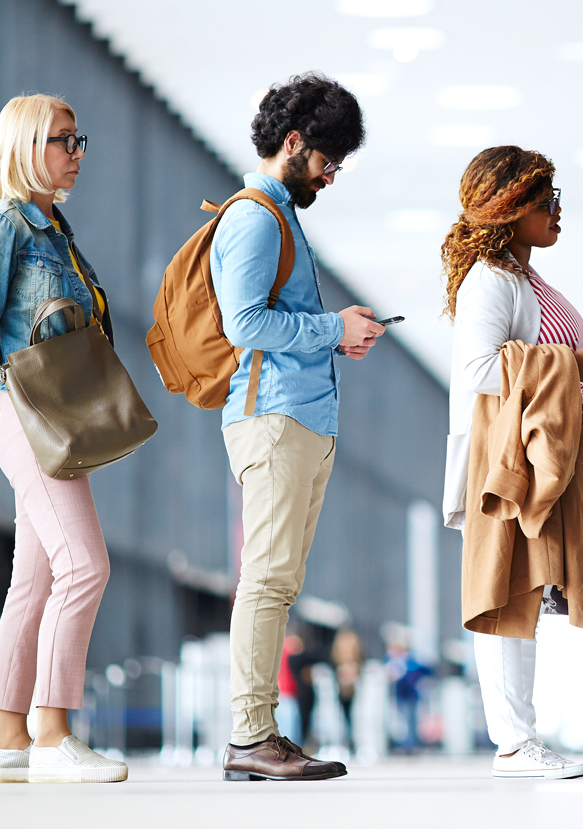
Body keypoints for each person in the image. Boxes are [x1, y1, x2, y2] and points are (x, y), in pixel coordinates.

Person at [0, 94, 126, 783]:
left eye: (81, 141)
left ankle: (9, 738)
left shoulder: (55, 232)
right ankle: (54, 734)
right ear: (24, 146)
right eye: (62, 141)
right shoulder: (2, 228)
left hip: (57, 414)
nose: (76, 154)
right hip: (23, 409)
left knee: (36, 577)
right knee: (86, 565)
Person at [441, 145, 583, 779]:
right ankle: (514, 744)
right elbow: (478, 370)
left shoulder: (523, 278)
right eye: (544, 202)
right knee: (505, 593)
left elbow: (533, 356)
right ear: (509, 208)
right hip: (505, 465)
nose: (556, 213)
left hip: (535, 461)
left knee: (526, 590)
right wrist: (576, 364)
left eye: (557, 200)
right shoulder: (491, 282)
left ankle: (522, 740)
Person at [215, 72, 381, 782]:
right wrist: (331, 328)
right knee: (267, 579)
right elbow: (243, 322)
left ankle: (261, 733)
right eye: (327, 161)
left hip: (300, 419)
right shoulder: (255, 216)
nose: (331, 176)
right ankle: (251, 735)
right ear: (293, 142)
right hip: (273, 415)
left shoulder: (282, 214)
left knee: (278, 580)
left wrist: (335, 336)